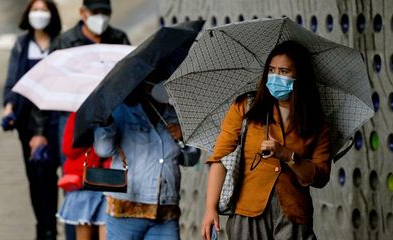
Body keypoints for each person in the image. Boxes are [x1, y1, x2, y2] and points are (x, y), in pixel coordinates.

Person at [201, 41, 331, 240]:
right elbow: (220, 158)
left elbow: (321, 176)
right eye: (271, 70)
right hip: (248, 212)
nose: (276, 76)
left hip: (293, 215)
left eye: (284, 71)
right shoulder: (246, 107)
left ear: (299, 76)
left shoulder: (316, 122)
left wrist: (287, 155)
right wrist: (210, 209)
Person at [29, 1, 130, 238]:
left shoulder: (119, 38)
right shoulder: (65, 42)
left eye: (105, 12)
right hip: (73, 117)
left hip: (111, 118)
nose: (101, 17)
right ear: (83, 14)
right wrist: (40, 131)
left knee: (109, 179)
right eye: (95, 12)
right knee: (78, 180)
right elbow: (48, 82)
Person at [93, 78, 201, 240]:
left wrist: (185, 137)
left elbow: (190, 160)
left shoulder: (175, 115)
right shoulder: (121, 110)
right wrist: (106, 122)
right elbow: (103, 150)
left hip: (165, 212)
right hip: (126, 209)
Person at [1, 1, 62, 239]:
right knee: (36, 176)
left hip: (56, 119)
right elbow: (13, 81)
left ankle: (53, 222)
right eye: (35, 10)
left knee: (52, 174)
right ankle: (44, 227)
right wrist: (9, 108)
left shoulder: (60, 43)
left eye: (44, 10)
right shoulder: (22, 44)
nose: (40, 14)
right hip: (27, 122)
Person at [57, 112, 111, 240]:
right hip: (84, 184)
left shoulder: (119, 115)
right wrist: (90, 132)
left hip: (109, 183)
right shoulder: (78, 116)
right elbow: (68, 149)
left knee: (108, 231)